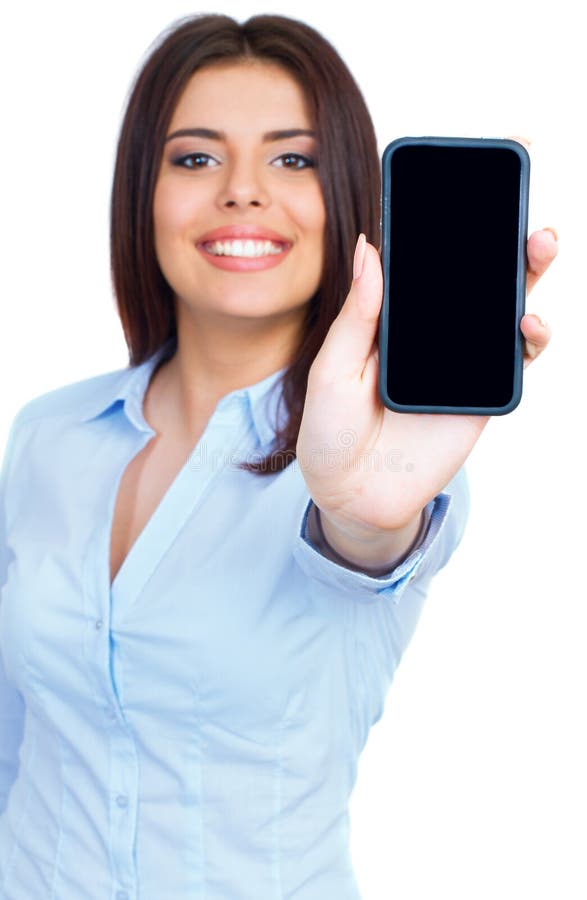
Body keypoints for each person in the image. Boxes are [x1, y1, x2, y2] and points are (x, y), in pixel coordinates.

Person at [0, 12, 556, 900]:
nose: (243, 191)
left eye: (292, 159)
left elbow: (367, 539)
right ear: (141, 192)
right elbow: (16, 746)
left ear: (345, 199)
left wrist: (366, 508)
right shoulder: (49, 435)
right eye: (195, 157)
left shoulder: (374, 468)